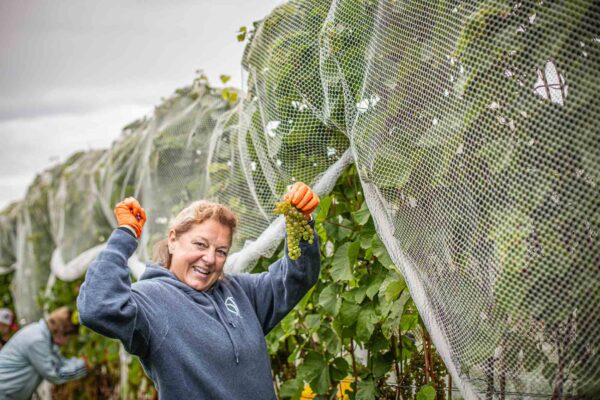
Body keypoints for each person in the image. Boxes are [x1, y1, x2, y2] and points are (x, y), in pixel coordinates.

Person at [77, 182, 321, 399]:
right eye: (200, 245)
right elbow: (97, 307)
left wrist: (301, 219)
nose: (209, 259)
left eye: (221, 251)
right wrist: (125, 235)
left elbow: (297, 276)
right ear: (173, 240)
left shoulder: (240, 292)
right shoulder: (151, 300)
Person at [0, 306, 88, 399]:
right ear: (61, 331)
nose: (68, 342)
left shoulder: (43, 336)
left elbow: (60, 362)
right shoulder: (37, 341)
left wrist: (81, 362)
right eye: (70, 337)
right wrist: (83, 365)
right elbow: (55, 375)